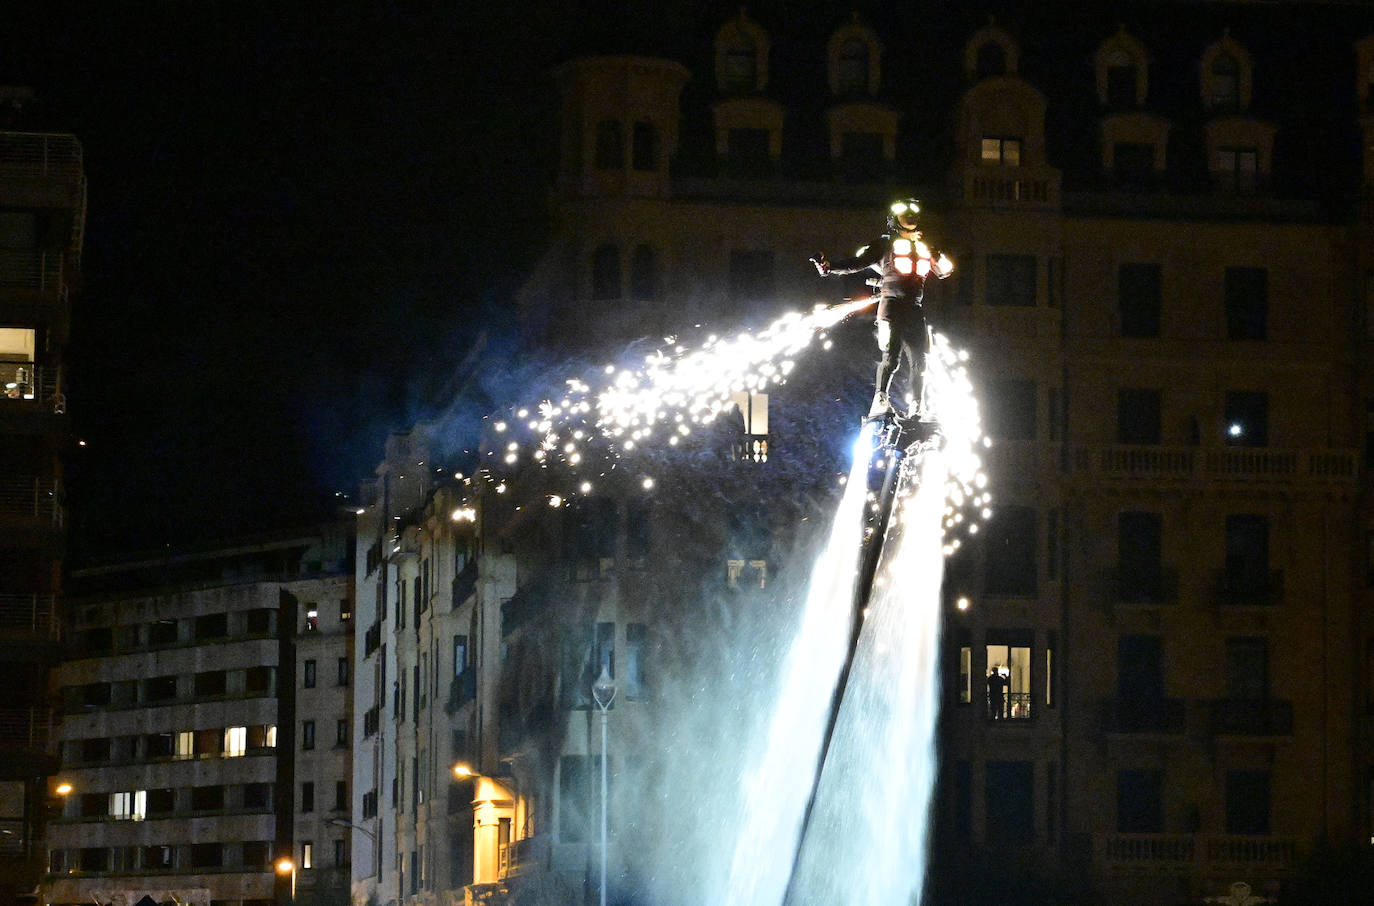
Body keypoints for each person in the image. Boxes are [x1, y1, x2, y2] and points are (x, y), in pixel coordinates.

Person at [812, 198, 953, 420]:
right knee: (892, 356)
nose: (910, 215)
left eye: (914, 212)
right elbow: (856, 263)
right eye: (904, 212)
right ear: (894, 218)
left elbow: (945, 271)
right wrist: (829, 267)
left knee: (921, 359)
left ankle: (917, 405)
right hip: (892, 307)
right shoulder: (885, 243)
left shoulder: (925, 247)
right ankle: (881, 398)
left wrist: (938, 256)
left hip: (914, 309)